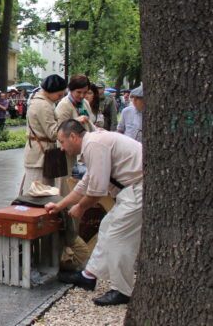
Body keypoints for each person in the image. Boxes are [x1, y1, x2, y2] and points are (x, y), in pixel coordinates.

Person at [45, 119, 143, 306]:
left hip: (137, 190)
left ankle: (123, 290)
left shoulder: (94, 145)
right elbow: (86, 183)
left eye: (62, 142)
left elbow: (96, 191)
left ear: (73, 137)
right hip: (131, 191)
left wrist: (81, 208)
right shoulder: (93, 143)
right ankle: (89, 275)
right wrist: (60, 206)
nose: (62, 148)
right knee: (107, 227)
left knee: (117, 238)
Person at [21, 74, 68, 194]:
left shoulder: (39, 101)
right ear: (50, 91)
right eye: (59, 94)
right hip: (41, 156)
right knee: (38, 192)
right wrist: (68, 125)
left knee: (38, 190)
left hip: (39, 153)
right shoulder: (43, 105)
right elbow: (53, 133)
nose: (60, 98)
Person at [55, 74, 96, 195]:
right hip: (66, 151)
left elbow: (89, 123)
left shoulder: (84, 103)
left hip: (82, 149)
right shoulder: (64, 105)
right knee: (66, 182)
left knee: (80, 181)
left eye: (85, 92)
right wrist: (76, 121)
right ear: (71, 89)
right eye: (79, 92)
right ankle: (64, 209)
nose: (82, 96)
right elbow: (60, 130)